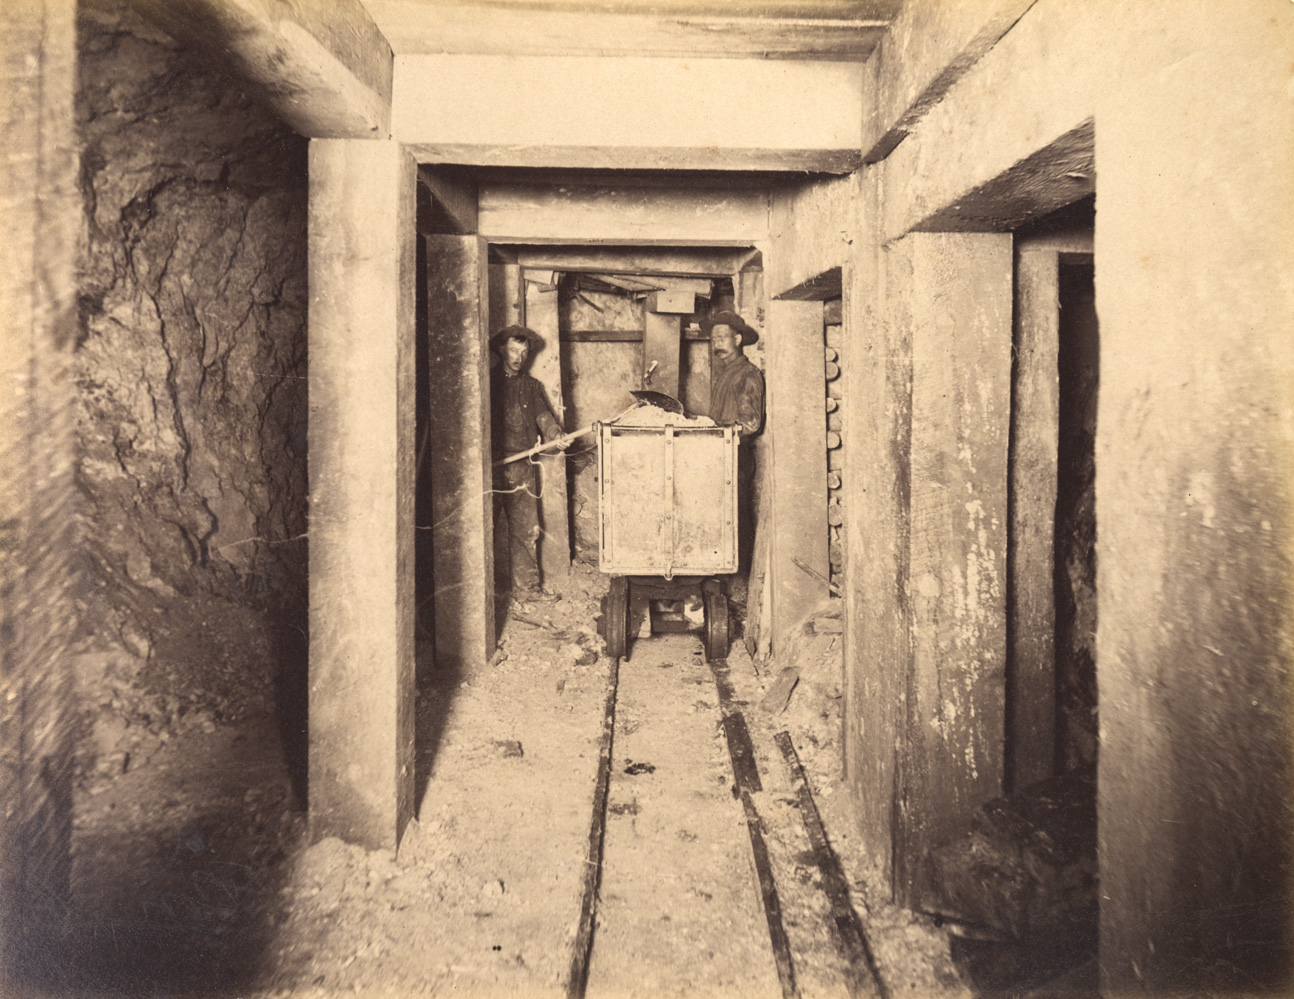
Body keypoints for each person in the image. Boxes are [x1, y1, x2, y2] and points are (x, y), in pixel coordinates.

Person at [490, 325, 565, 603]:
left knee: (526, 530)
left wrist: (555, 435)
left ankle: (526, 590)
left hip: (522, 467)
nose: (518, 357)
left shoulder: (532, 387)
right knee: (481, 531)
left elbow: (543, 417)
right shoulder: (486, 383)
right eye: (513, 350)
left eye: (523, 352)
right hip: (490, 470)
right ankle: (481, 594)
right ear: (501, 350)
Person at [702, 310, 764, 574]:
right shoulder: (726, 373)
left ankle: (743, 575)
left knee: (737, 516)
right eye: (713, 339)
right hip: (720, 453)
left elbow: (751, 424)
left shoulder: (747, 374)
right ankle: (725, 570)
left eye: (722, 338)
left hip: (736, 454)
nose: (716, 343)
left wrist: (716, 430)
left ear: (737, 339)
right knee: (721, 514)